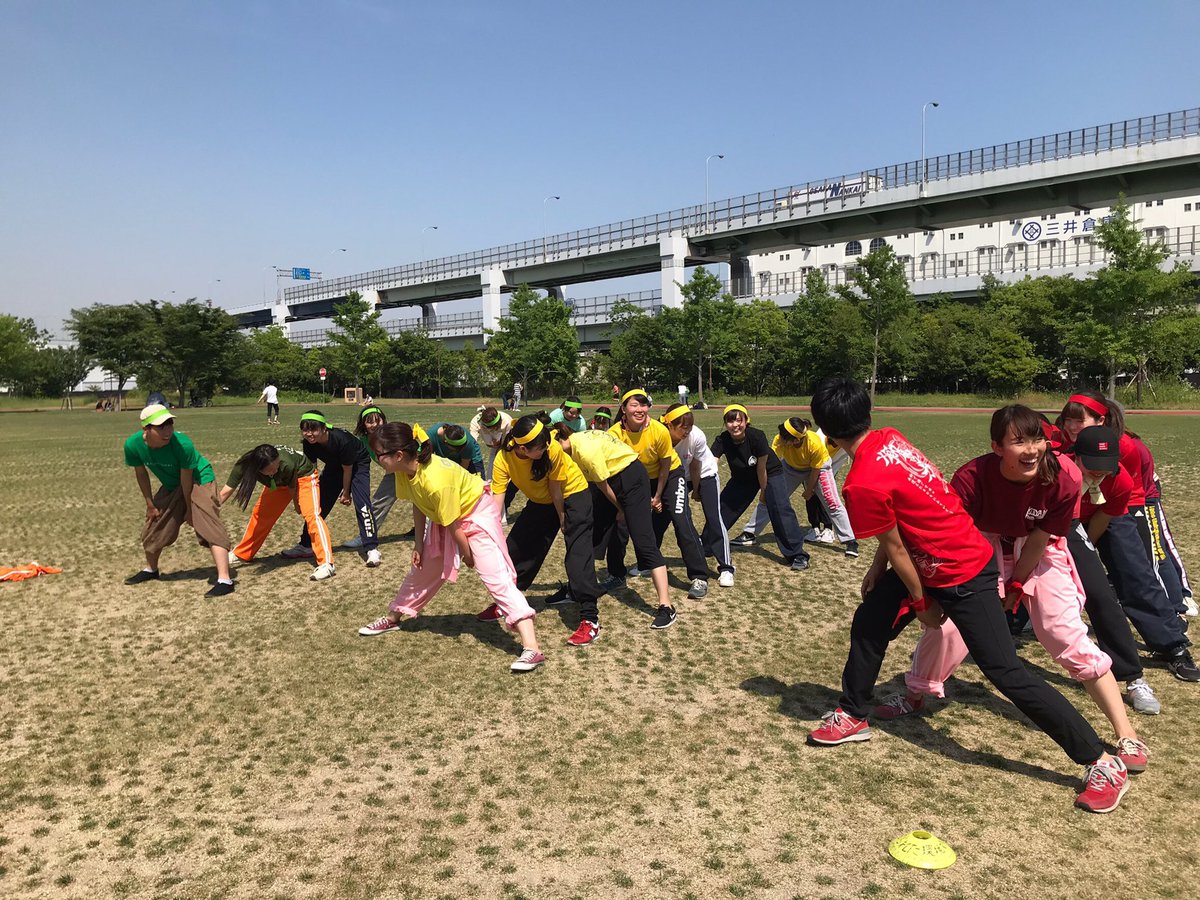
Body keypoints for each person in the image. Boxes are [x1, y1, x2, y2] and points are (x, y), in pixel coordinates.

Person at [804, 378, 1130, 815]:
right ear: (868, 413)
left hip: (963, 569)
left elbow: (898, 546)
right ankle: (854, 712)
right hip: (930, 561)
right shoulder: (891, 438)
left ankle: (1102, 761)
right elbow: (898, 531)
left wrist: (922, 604)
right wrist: (880, 569)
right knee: (870, 622)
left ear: (824, 430)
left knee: (1005, 670)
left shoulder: (860, 482)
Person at [875, 406, 1149, 773]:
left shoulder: (1063, 475)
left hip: (1038, 548)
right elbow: (942, 532)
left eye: (1037, 438)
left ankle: (1125, 731)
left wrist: (1018, 582)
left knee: (1062, 631)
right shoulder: (972, 477)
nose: (1032, 449)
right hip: (982, 545)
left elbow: (1039, 539)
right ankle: (916, 694)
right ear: (996, 447)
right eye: (1018, 441)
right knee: (952, 627)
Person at [356, 423, 544, 673]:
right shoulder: (404, 471)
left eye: (379, 454)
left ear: (398, 455)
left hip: (475, 514)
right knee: (422, 570)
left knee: (496, 578)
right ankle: (393, 618)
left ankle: (532, 648)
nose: (377, 460)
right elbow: (418, 503)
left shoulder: (436, 480)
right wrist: (419, 545)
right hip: (447, 517)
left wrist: (467, 554)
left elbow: (455, 525)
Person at [1058, 393, 1199, 681]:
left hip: (1111, 508)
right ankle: (1016, 621)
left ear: (1101, 420)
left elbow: (1119, 498)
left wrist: (1090, 543)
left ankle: (1171, 645)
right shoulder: (1058, 446)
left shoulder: (1123, 449)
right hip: (1065, 512)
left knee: (1134, 572)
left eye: (1079, 420)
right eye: (1068, 420)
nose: (1072, 426)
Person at [480, 415, 607, 635]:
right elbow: (497, 501)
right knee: (514, 549)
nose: (545, 449)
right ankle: (510, 601)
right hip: (542, 501)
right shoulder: (504, 459)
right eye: (539, 448)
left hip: (572, 495)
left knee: (577, 554)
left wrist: (561, 516)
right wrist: (492, 533)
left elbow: (556, 489)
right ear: (522, 448)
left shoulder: (551, 449)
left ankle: (590, 618)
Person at [554, 424, 674, 637]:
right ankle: (576, 589)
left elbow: (602, 485)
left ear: (560, 441)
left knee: (643, 540)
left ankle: (666, 606)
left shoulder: (585, 450)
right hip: (611, 479)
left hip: (630, 477)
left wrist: (621, 509)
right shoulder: (572, 446)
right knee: (587, 539)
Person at [606, 389, 710, 611]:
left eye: (644, 405)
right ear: (623, 408)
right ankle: (616, 574)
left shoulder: (658, 430)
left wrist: (658, 496)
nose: (640, 410)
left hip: (669, 475)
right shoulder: (614, 434)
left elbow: (665, 466)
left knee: (681, 518)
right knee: (620, 522)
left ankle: (699, 576)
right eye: (634, 405)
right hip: (635, 480)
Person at [122, 404, 234, 597]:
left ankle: (225, 579)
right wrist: (150, 504)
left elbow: (187, 478)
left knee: (208, 523)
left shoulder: (182, 444)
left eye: (170, 425)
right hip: (172, 484)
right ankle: (151, 569)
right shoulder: (133, 445)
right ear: (146, 429)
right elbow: (141, 474)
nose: (167, 431)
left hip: (199, 479)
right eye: (161, 427)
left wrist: (190, 510)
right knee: (154, 524)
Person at [732, 417, 858, 558]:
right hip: (791, 468)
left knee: (832, 502)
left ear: (796, 440)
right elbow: (769, 462)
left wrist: (809, 491)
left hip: (819, 469)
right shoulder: (780, 439)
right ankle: (750, 533)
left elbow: (815, 470)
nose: (781, 439)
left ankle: (850, 540)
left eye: (786, 438)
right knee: (769, 497)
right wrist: (765, 488)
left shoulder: (814, 442)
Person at [710, 404, 809, 572]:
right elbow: (712, 463)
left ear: (746, 421)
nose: (735, 425)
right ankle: (706, 545)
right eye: (730, 420)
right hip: (742, 478)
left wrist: (764, 492)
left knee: (780, 509)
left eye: (739, 420)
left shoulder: (757, 436)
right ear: (725, 423)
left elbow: (761, 468)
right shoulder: (722, 440)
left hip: (770, 472)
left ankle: (797, 554)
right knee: (723, 508)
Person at [280, 411, 380, 572]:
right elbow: (312, 468)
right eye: (305, 430)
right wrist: (313, 492)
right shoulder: (308, 443)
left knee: (362, 504)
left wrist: (346, 493)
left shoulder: (341, 440)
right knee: (318, 505)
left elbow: (348, 469)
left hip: (357, 464)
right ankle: (305, 544)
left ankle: (371, 547)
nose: (309, 434)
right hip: (335, 466)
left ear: (324, 428)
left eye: (313, 429)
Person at [219, 444, 334, 581]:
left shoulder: (285, 464)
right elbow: (226, 491)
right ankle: (242, 554)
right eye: (269, 470)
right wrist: (210, 510)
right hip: (278, 484)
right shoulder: (245, 465)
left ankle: (327, 564)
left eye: (276, 466)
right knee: (261, 515)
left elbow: (292, 486)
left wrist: (297, 504)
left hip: (304, 476)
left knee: (312, 515)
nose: (274, 470)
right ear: (257, 468)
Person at [660, 403, 734, 588]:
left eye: (689, 427)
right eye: (682, 428)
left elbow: (695, 465)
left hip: (704, 474)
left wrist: (697, 490)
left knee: (713, 516)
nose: (687, 431)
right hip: (677, 476)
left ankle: (726, 567)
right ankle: (649, 561)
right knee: (663, 516)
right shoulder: (660, 435)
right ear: (669, 425)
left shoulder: (697, 436)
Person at [344, 405, 414, 549]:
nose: (374, 425)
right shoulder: (362, 441)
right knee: (377, 503)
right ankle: (365, 536)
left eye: (378, 420)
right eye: (369, 421)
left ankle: (428, 531)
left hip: (412, 470)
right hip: (393, 474)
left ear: (383, 420)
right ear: (363, 423)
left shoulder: (391, 434)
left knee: (423, 501)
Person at [469, 406, 513, 482]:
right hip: (489, 437)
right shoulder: (475, 422)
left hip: (504, 439)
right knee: (493, 457)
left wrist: (501, 446)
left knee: (504, 458)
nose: (493, 429)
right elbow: (472, 443)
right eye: (491, 428)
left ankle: (506, 481)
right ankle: (490, 481)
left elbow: (509, 444)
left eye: (495, 427)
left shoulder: (507, 421)